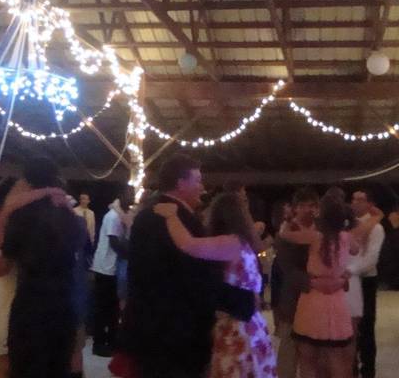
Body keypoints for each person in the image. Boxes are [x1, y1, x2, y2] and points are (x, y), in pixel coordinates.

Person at [124, 155, 256, 378]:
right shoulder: (176, 218)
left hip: (152, 326)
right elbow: (193, 277)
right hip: (176, 331)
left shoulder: (149, 214)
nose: (202, 188)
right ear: (180, 183)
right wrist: (241, 300)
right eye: (197, 180)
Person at [154, 191, 277, 378]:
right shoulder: (242, 242)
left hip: (237, 327)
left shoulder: (230, 243)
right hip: (251, 323)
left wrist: (171, 216)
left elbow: (188, 244)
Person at [2, 160, 86, 378]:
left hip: (30, 302)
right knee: (57, 365)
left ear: (27, 182)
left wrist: (7, 210)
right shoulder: (70, 217)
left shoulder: (21, 216)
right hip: (63, 302)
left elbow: (2, 263)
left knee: (26, 365)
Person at [278, 194, 374, 378]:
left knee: (308, 359)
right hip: (336, 300)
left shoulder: (315, 237)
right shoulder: (346, 238)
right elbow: (357, 248)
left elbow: (285, 234)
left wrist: (288, 219)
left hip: (313, 298)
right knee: (336, 357)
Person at [274, 188, 318, 378]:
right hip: (294, 295)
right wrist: (313, 284)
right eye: (302, 205)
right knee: (289, 348)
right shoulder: (286, 232)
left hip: (319, 297)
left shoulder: (322, 229)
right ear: (295, 208)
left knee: (315, 349)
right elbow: (287, 268)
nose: (307, 209)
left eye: (311, 205)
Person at [91, 186, 134, 357]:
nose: (131, 199)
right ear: (121, 196)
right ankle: (99, 343)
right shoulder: (113, 217)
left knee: (112, 308)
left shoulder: (121, 215)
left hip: (113, 268)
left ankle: (111, 340)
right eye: (129, 195)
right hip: (105, 268)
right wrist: (132, 253)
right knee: (103, 308)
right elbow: (115, 243)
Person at [350, 188, 385, 378]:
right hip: (349, 280)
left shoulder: (377, 227)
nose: (356, 203)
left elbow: (372, 258)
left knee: (367, 327)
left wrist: (350, 271)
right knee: (349, 327)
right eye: (354, 199)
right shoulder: (346, 225)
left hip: (366, 280)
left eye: (361, 200)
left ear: (369, 204)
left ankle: (368, 371)